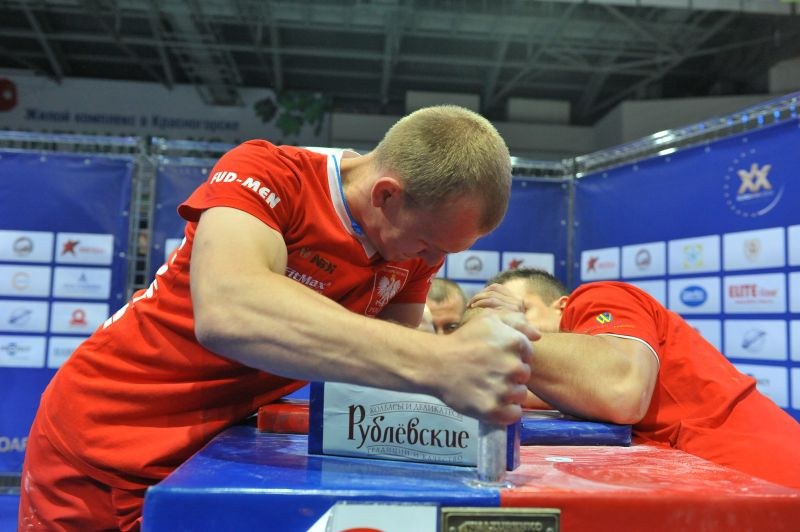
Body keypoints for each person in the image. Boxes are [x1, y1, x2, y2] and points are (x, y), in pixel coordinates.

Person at [19, 106, 538, 531]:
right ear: (386, 195)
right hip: (103, 441)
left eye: (443, 250)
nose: (430, 259)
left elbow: (382, 359)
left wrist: (484, 343)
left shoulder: (413, 249)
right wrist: (444, 359)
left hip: (207, 461)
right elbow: (229, 311)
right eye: (428, 242)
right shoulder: (268, 173)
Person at [469, 267, 800, 489]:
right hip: (727, 489)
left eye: (521, 310)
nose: (510, 324)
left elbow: (622, 390)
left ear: (562, 305)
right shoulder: (568, 380)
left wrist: (504, 330)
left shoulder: (598, 296)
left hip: (769, 479)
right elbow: (516, 387)